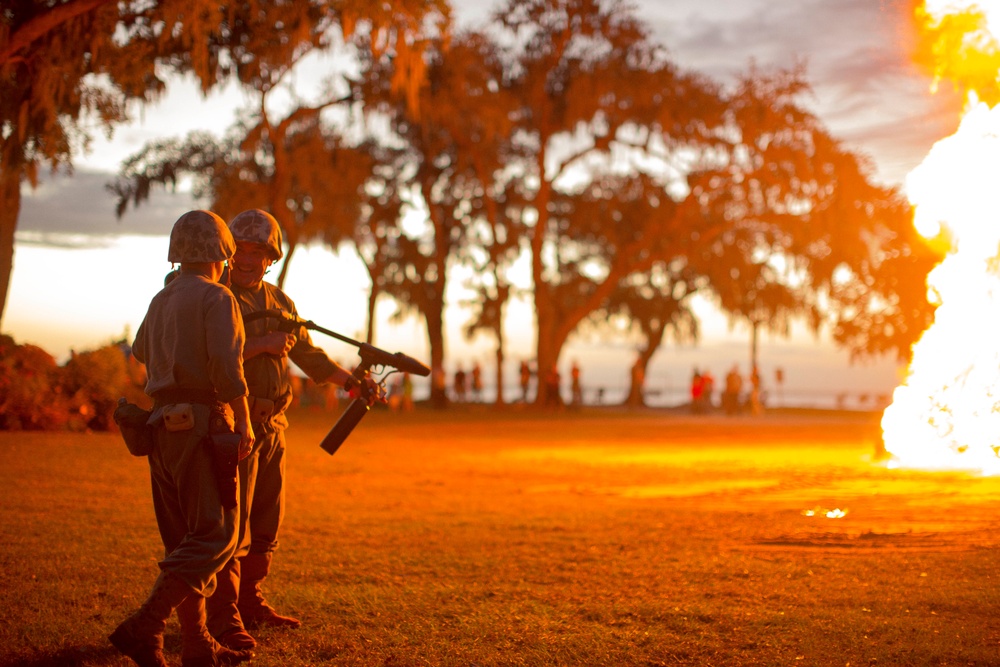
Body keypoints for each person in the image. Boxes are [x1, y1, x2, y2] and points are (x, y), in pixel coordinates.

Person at [207, 209, 384, 650]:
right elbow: (205, 359)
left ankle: (252, 601)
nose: (247, 259)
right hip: (232, 424)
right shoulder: (215, 297)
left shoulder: (281, 303)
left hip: (274, 426)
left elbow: (309, 355)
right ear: (229, 253)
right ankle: (224, 616)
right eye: (240, 250)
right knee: (233, 524)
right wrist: (260, 345)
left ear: (271, 258)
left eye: (258, 252)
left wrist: (352, 383)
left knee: (267, 521)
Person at [109, 210, 255, 667]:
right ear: (223, 253)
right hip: (202, 420)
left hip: (159, 424)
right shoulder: (218, 297)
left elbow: (140, 351)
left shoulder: (161, 298)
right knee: (218, 536)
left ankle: (195, 646)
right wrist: (245, 423)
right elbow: (228, 372)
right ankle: (145, 625)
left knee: (182, 541)